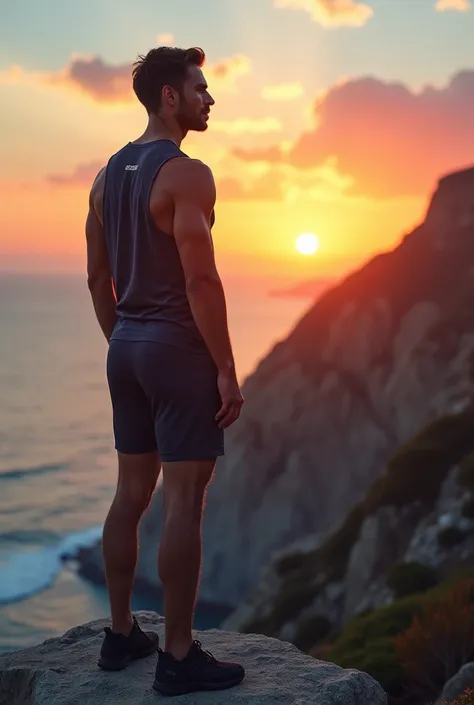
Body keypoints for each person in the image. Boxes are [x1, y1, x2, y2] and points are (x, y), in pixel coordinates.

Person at [85, 45, 245, 696]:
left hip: (125, 347)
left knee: (131, 494)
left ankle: (121, 633)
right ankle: (177, 653)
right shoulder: (186, 173)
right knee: (183, 500)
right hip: (177, 350)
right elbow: (201, 277)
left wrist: (124, 339)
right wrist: (227, 367)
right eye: (201, 88)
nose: (211, 98)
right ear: (170, 97)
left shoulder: (104, 177)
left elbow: (99, 277)